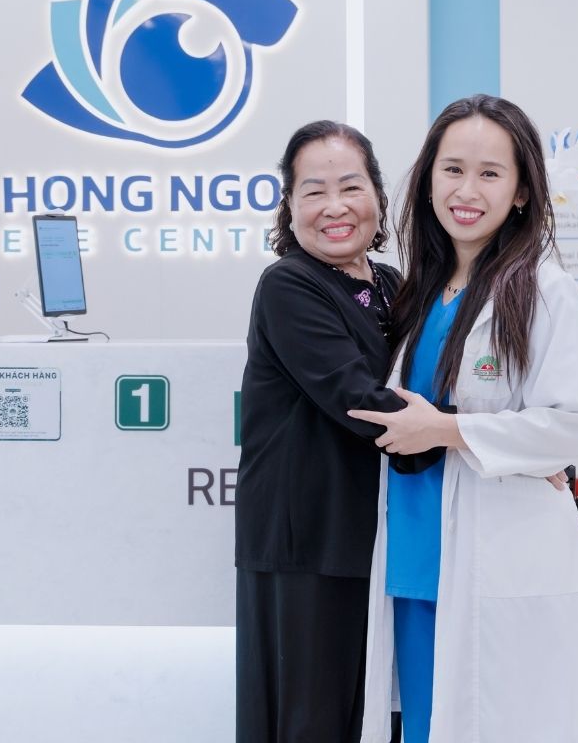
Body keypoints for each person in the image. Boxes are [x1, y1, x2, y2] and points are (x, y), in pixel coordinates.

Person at [349, 95, 578, 742]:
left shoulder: (544, 290)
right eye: (452, 169)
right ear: (428, 179)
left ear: (521, 191)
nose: (466, 191)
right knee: (424, 724)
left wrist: (449, 430)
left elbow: (570, 424)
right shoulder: (418, 291)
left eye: (490, 173)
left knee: (496, 720)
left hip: (493, 552)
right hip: (415, 552)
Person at [234, 121, 408, 742]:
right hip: (307, 540)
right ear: (289, 205)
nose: (335, 207)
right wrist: (488, 440)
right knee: (311, 720)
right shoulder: (290, 284)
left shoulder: (391, 285)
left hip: (370, 537)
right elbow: (361, 402)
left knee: (369, 716)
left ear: (378, 195)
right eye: (313, 191)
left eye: (350, 187)